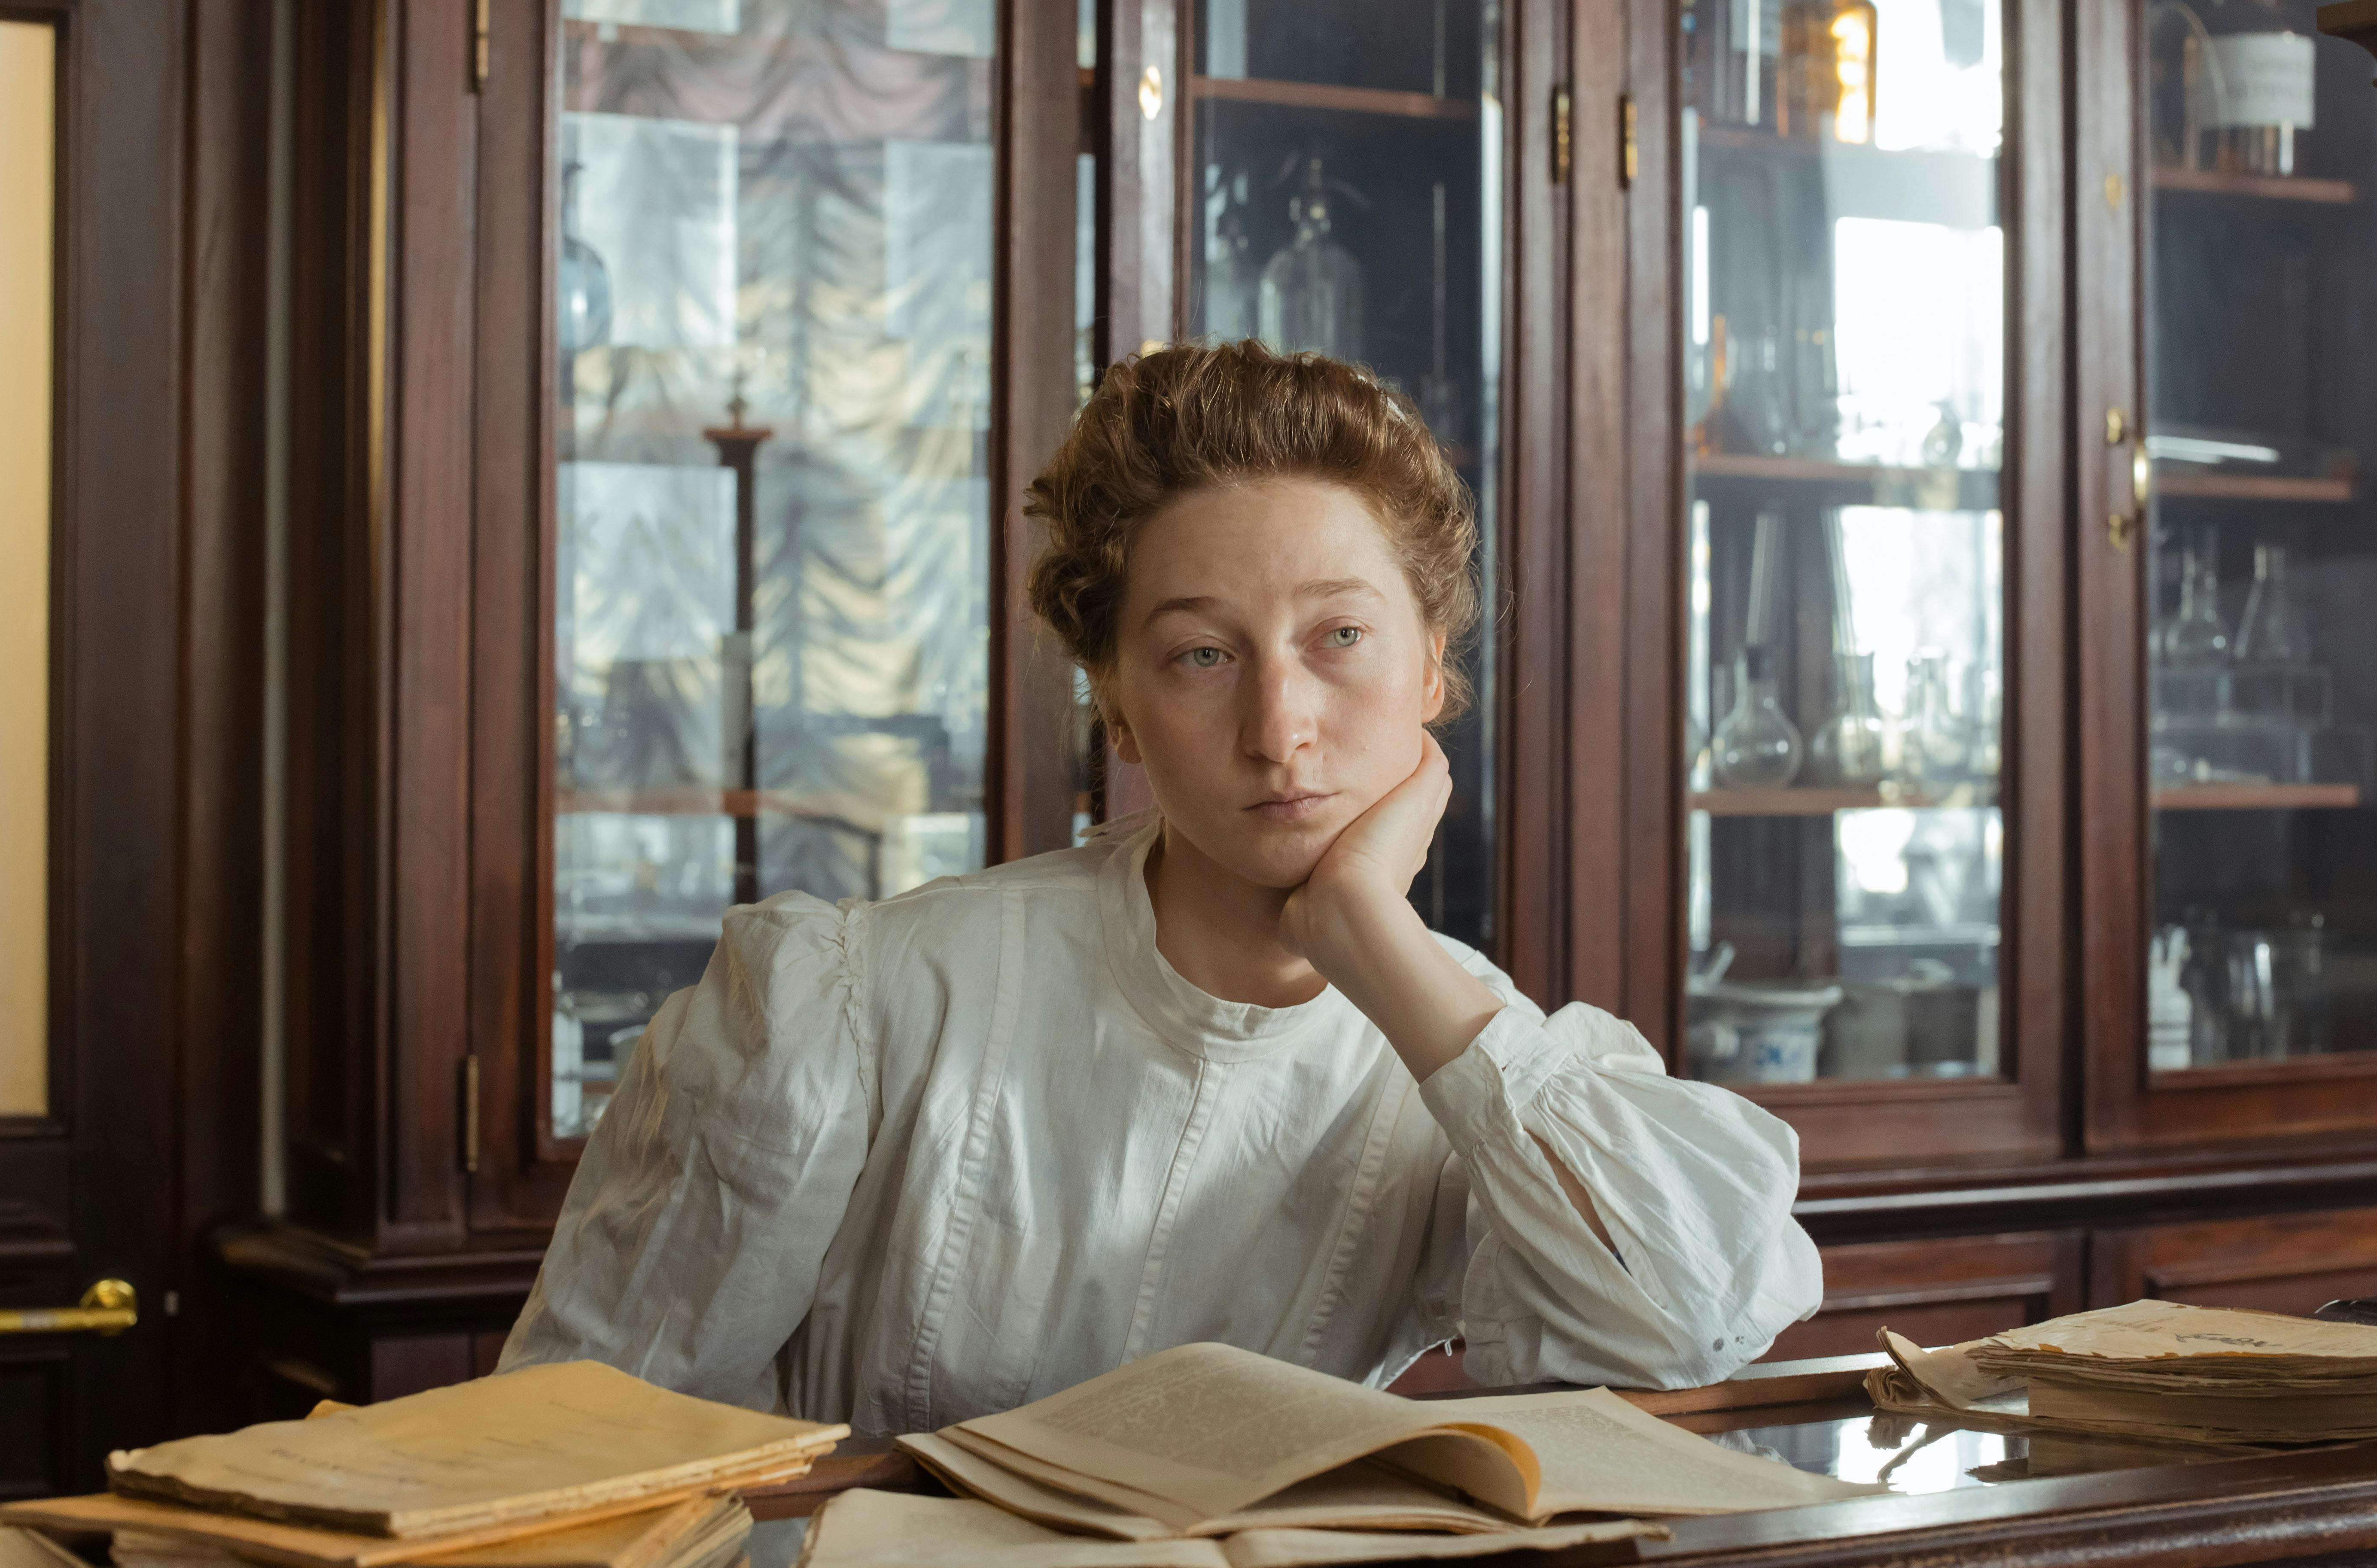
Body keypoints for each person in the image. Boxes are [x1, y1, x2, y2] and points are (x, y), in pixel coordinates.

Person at [499, 342, 1822, 1431]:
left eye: (1341, 639)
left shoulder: (1465, 1052)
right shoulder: (853, 1006)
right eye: (1200, 655)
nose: (1279, 725)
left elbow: (1688, 1319)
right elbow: (578, 1452)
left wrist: (1374, 936)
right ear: (1117, 710)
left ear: (1433, 673)